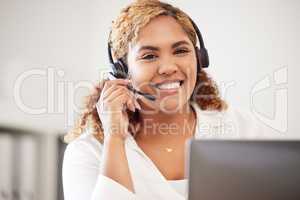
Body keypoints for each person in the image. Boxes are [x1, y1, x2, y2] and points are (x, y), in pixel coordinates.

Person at [62, 0, 267, 199]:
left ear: (199, 59)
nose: (168, 67)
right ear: (121, 71)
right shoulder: (89, 151)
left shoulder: (243, 129)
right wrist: (114, 138)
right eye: (149, 56)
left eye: (180, 51)